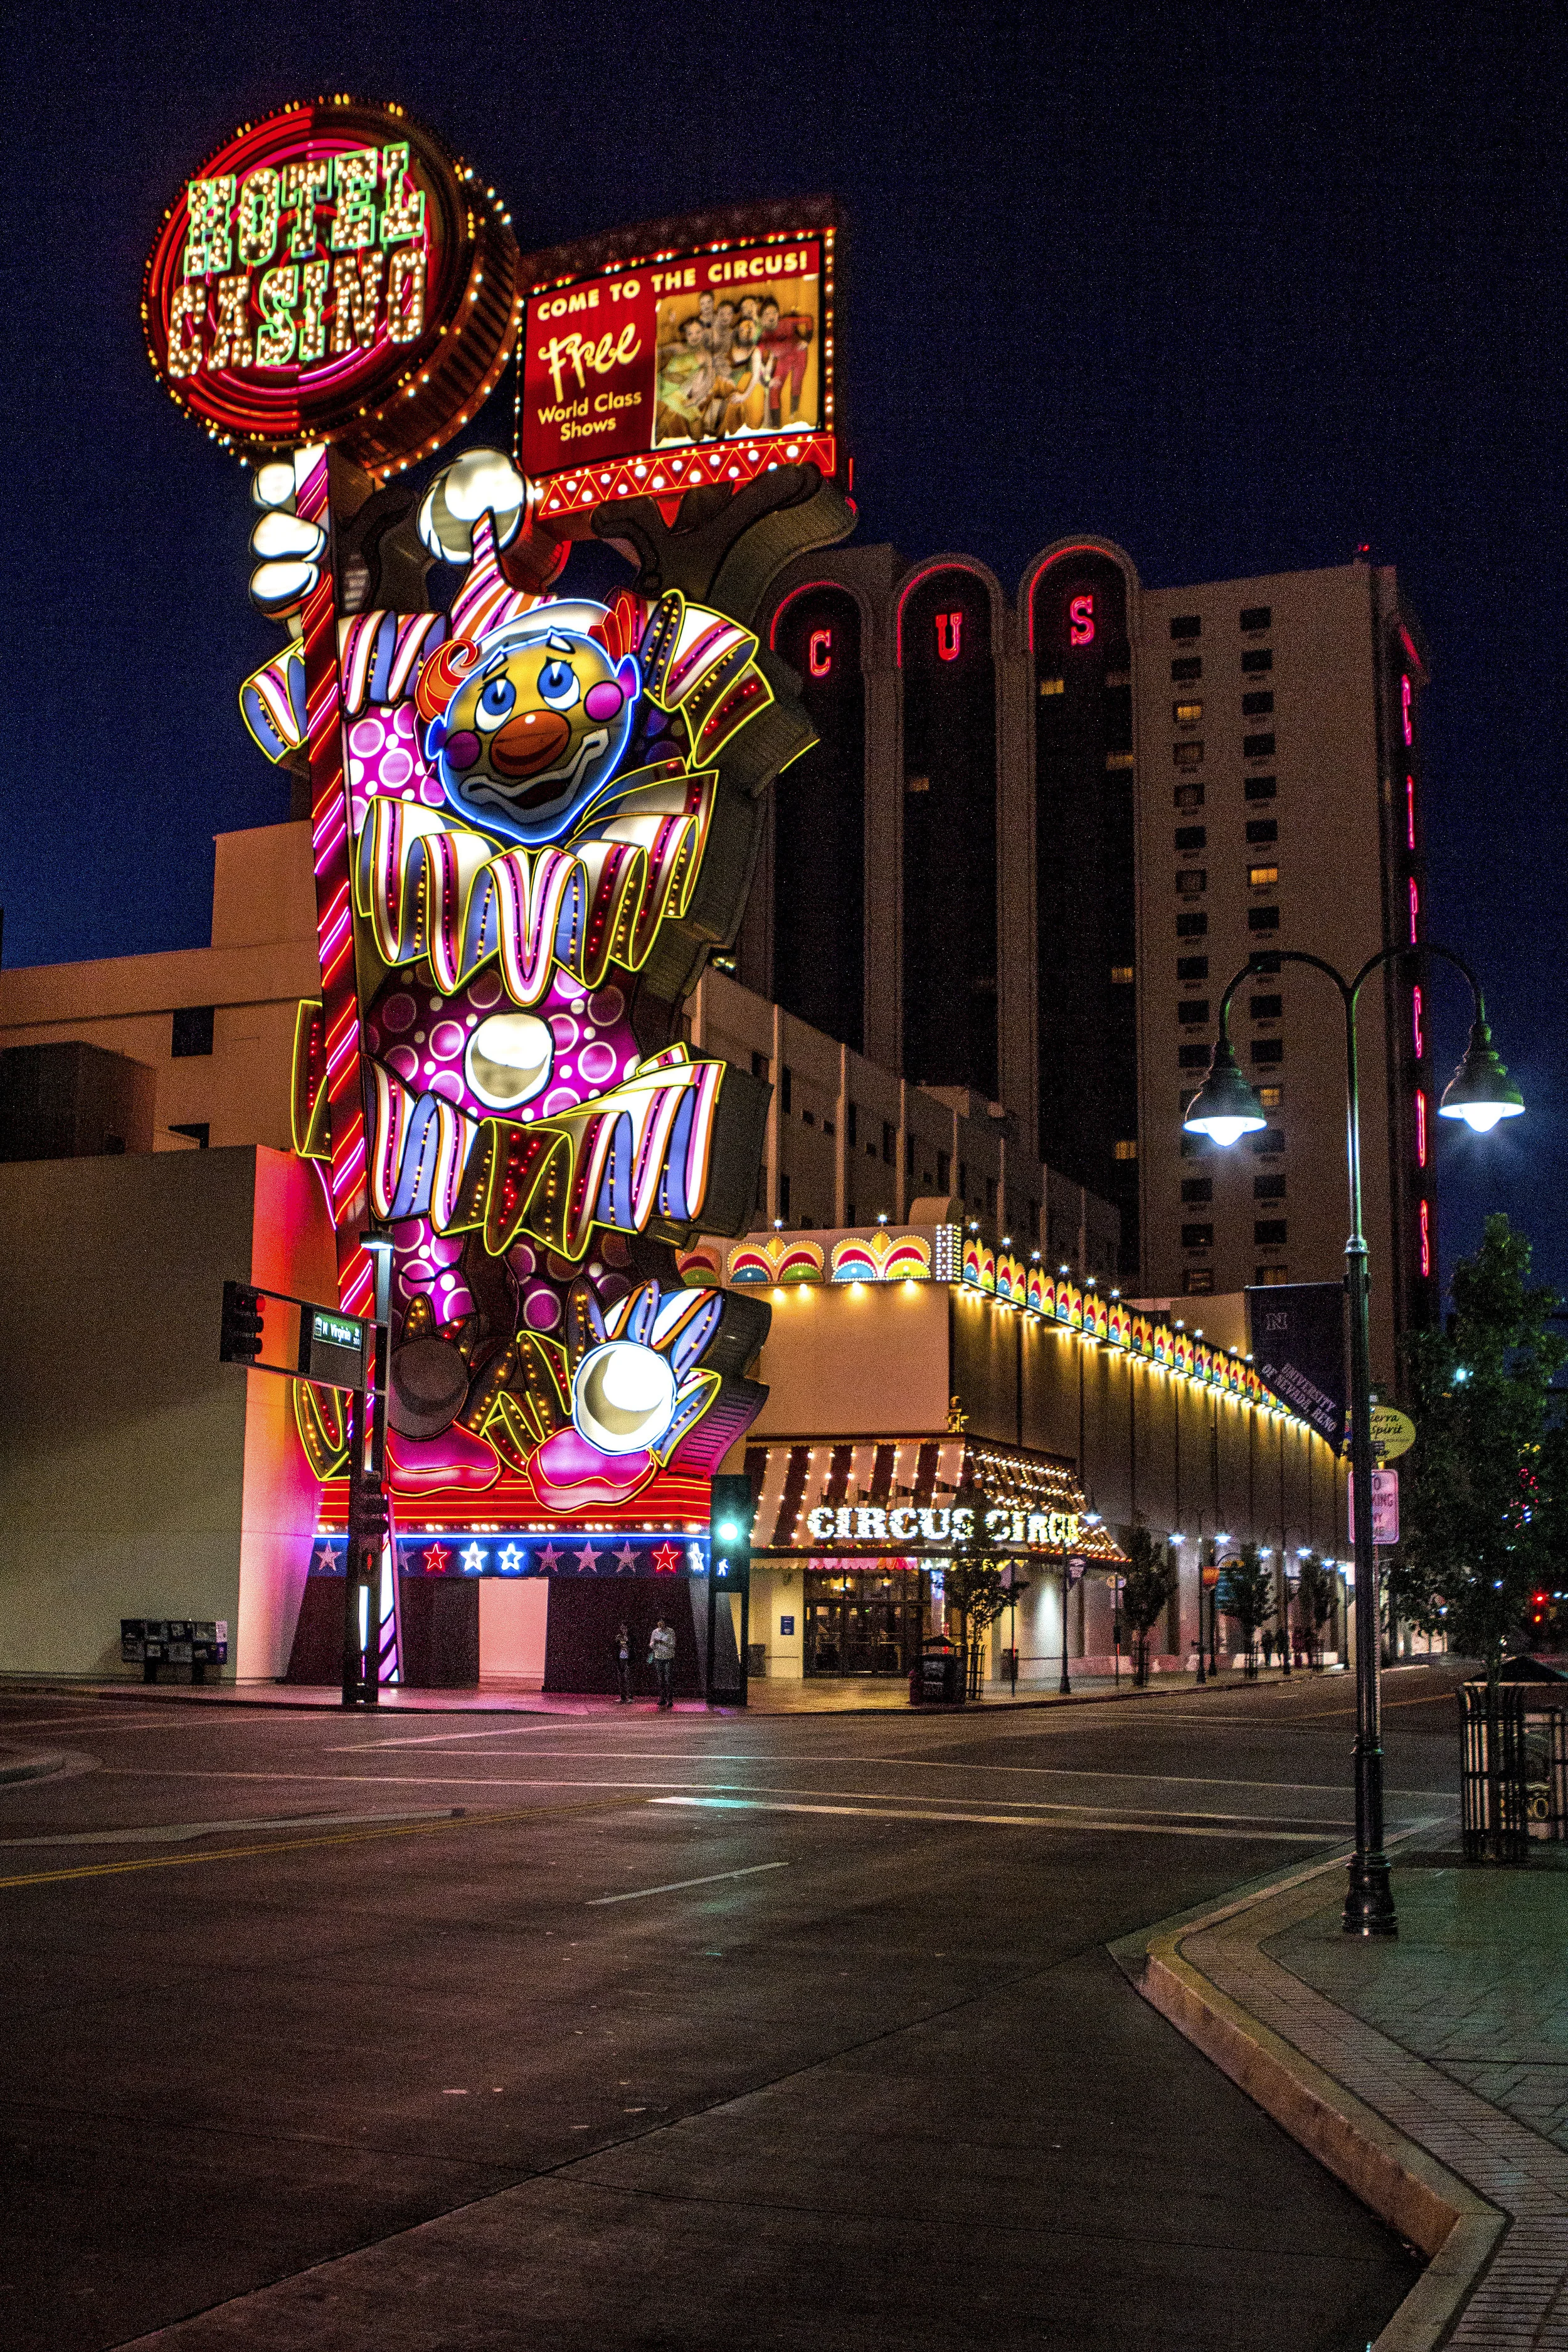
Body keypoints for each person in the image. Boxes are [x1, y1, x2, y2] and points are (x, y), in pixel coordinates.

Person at [649, 1617, 677, 1709]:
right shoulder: (655, 1632)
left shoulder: (671, 1631)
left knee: (668, 1678)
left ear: (665, 1623)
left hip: (668, 1657)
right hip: (658, 1657)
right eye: (659, 1622)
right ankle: (662, 1699)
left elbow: (673, 1645)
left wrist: (662, 1642)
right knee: (661, 1679)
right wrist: (654, 1644)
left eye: (662, 1622)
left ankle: (670, 1700)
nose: (660, 1624)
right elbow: (651, 1645)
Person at [614, 1621, 633, 1704]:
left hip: (628, 1659)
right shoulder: (618, 1637)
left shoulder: (630, 1637)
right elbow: (614, 1648)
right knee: (621, 1678)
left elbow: (633, 1647)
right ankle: (623, 1697)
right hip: (620, 1658)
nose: (623, 1630)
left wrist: (628, 1642)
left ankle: (630, 1697)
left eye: (625, 1628)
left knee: (628, 1678)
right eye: (622, 1628)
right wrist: (617, 1642)